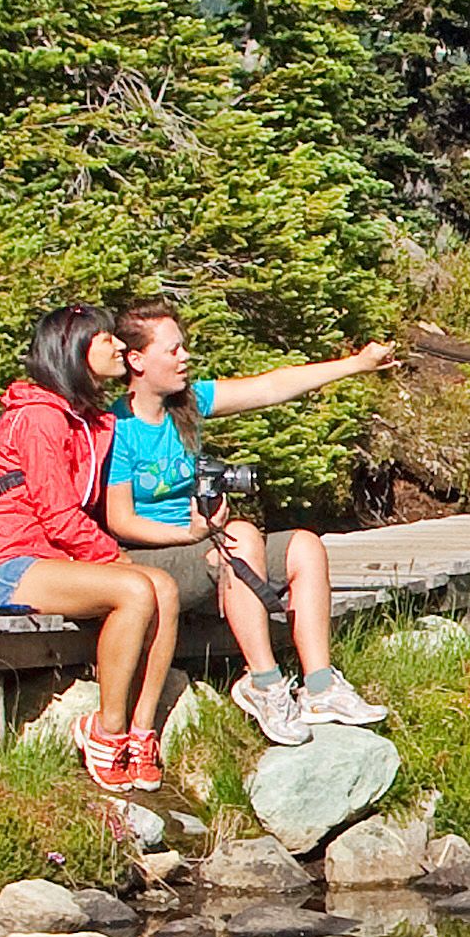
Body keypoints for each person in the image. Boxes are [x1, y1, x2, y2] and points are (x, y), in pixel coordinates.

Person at [101, 300, 402, 745]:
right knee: (240, 535)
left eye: (184, 347)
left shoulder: (188, 405)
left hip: (201, 545)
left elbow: (269, 387)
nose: (184, 357)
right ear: (137, 360)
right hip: (148, 558)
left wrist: (356, 364)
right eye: (173, 350)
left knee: (303, 546)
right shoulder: (117, 428)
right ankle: (264, 683)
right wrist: (187, 534)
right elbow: (119, 520)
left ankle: (320, 686)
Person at [0, 299, 178, 793]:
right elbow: (56, 513)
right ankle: (106, 730)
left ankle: (141, 733)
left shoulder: (88, 421)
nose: (118, 346)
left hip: (50, 560)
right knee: (136, 590)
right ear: (75, 350)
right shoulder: (40, 418)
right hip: (4, 564)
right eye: (105, 340)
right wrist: (113, 556)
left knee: (163, 585)